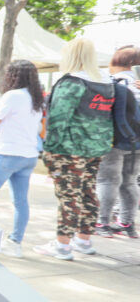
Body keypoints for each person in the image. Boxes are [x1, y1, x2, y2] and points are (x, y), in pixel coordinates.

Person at [35, 38, 114, 260]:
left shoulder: (72, 83)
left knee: (69, 197)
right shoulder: (106, 83)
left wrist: (49, 151)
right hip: (96, 148)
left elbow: (58, 121)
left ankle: (62, 245)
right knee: (88, 193)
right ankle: (83, 240)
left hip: (68, 150)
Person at [0, 60, 45, 257]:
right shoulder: (36, 99)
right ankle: (15, 243)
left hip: (8, 153)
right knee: (20, 202)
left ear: (13, 76)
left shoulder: (12, 96)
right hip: (29, 156)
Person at [95, 45, 140, 238]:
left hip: (115, 140)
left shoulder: (112, 81)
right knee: (129, 182)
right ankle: (127, 224)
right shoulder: (137, 83)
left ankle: (103, 223)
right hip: (137, 141)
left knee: (107, 181)